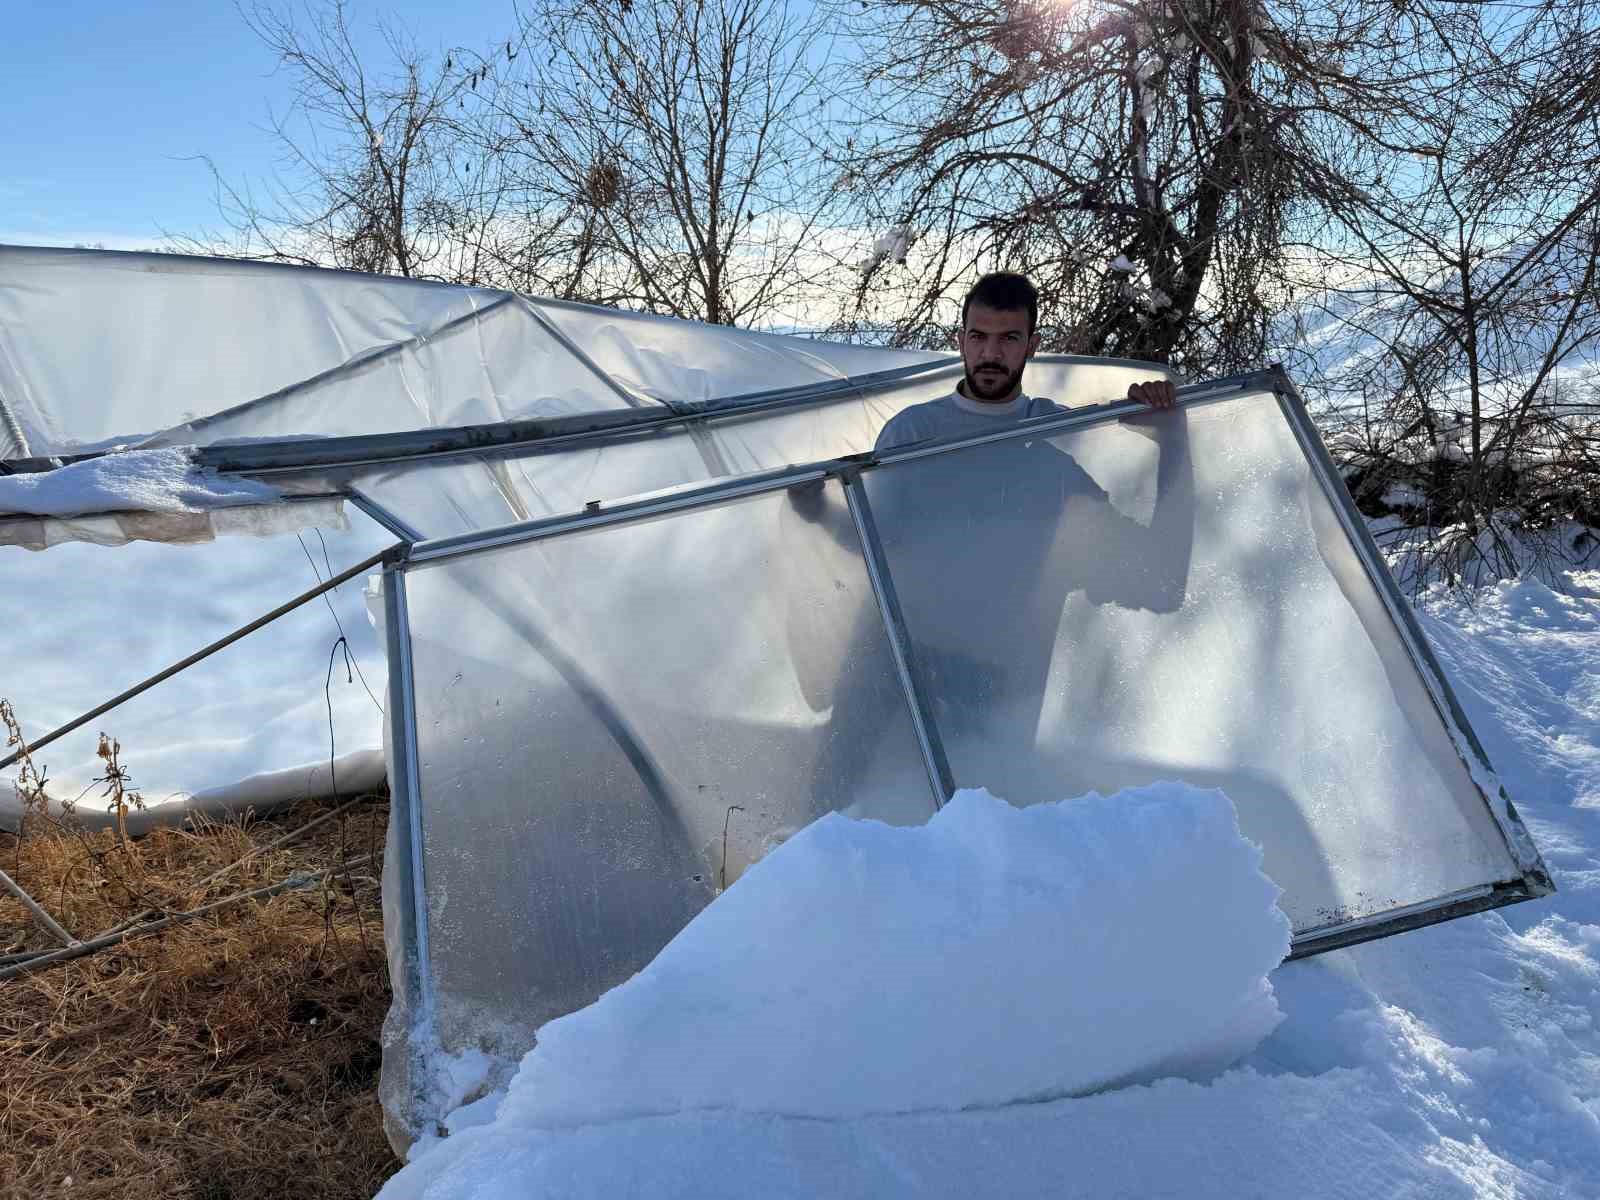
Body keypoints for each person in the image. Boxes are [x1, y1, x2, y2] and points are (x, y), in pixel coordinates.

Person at [788, 271, 1194, 810]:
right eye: (978, 336)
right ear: (960, 340)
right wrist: (816, 511)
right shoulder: (914, 435)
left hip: (987, 690)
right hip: (885, 665)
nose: (990, 353)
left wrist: (1171, 438)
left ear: (1031, 345)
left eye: (1007, 339)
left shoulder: (1051, 457)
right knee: (831, 824)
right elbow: (877, 543)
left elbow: (1159, 583)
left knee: (959, 847)